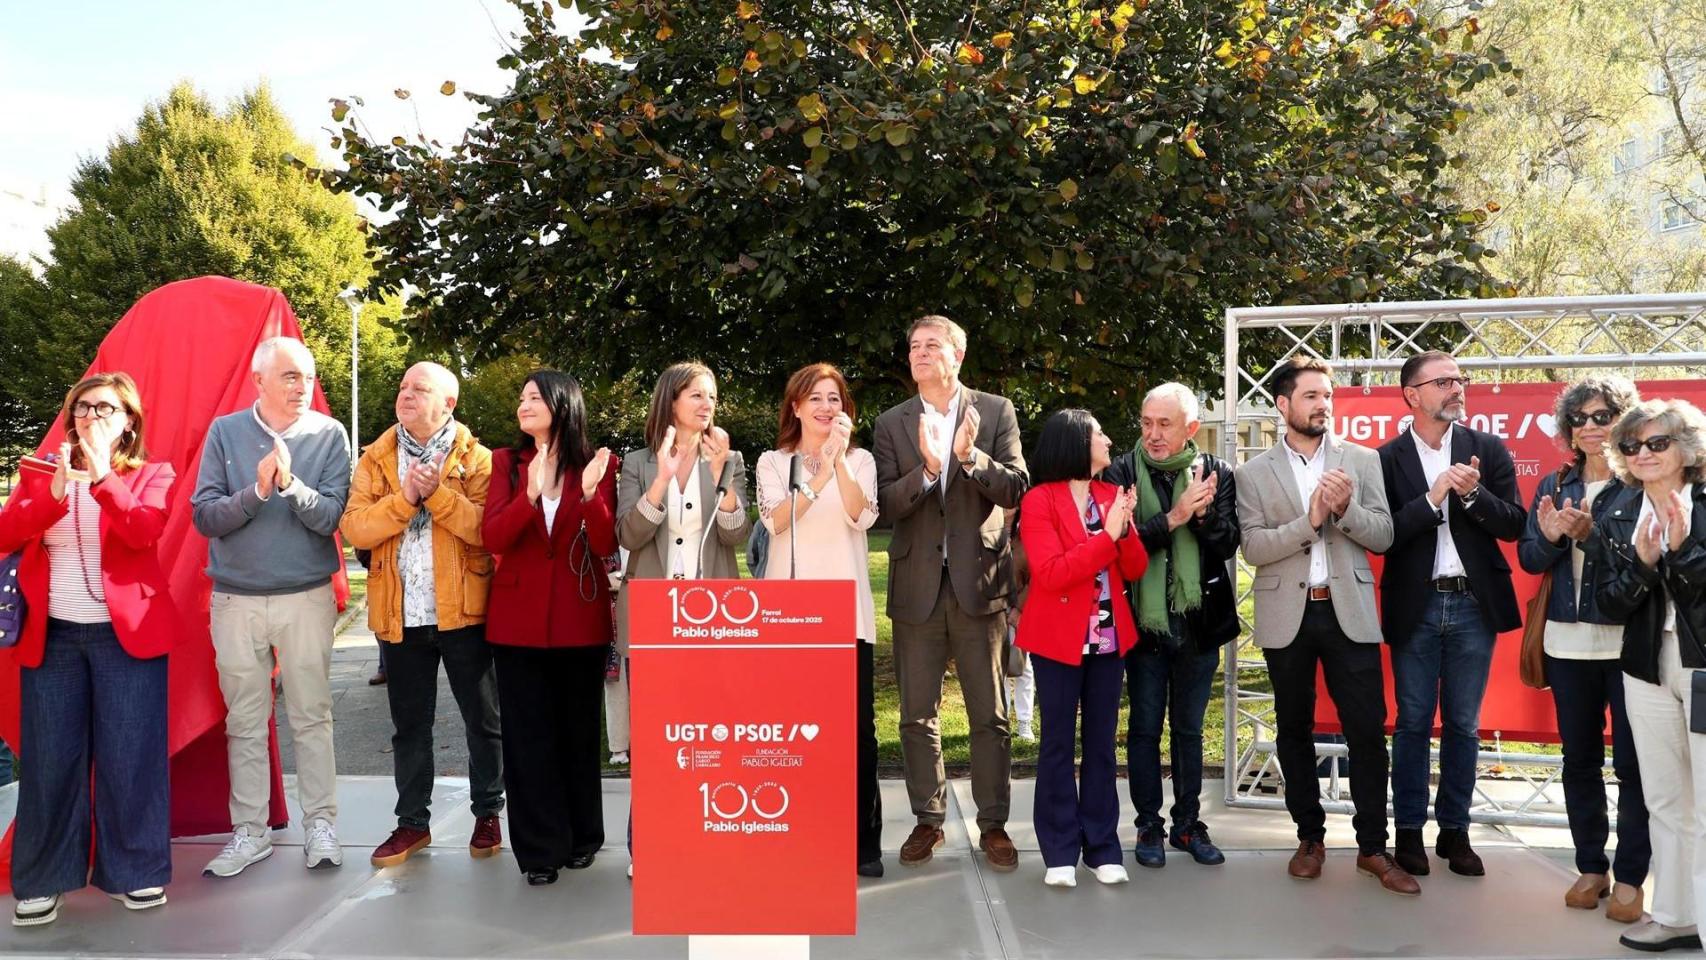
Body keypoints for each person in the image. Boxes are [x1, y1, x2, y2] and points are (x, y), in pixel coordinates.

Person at [3, 374, 180, 926]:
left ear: (130, 420)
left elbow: (143, 530)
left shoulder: (154, 474)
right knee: (50, 760)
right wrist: (53, 495)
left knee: (132, 758)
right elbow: (6, 535)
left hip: (126, 636)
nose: (91, 416)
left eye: (105, 408)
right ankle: (43, 879)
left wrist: (102, 475)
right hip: (53, 637)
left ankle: (135, 872)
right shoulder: (38, 474)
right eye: (82, 407)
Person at [1235, 358, 1416, 895]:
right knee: (1294, 729)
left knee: (1366, 731)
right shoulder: (1252, 473)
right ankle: (1309, 838)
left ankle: (1372, 849)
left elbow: (1383, 535)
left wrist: (1344, 511)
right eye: (1311, 395)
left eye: (1328, 395)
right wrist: (1310, 520)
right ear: (1283, 405)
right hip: (1287, 614)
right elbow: (1253, 547)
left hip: (1349, 614)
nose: (1323, 405)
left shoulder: (1361, 460)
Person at [872, 316, 1028, 872]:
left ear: (957, 356)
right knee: (917, 715)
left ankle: (994, 825)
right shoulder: (892, 423)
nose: (918, 353)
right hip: (917, 587)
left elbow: (1016, 487)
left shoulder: (995, 411)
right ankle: (927, 820)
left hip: (979, 584)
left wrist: (967, 459)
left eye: (931, 345)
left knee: (990, 716)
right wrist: (930, 469)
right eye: (913, 345)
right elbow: (884, 506)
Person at [192, 337, 352, 878]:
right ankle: (250, 832)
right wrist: (256, 493)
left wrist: (289, 486)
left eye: (306, 376)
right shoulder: (225, 432)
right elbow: (205, 518)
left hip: (305, 597)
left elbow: (330, 518)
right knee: (245, 720)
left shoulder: (330, 434)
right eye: (288, 376)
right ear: (258, 381)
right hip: (235, 599)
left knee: (312, 716)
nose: (301, 387)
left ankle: (321, 826)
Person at [340, 362, 504, 868]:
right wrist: (406, 497)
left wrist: (437, 494)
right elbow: (355, 529)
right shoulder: (376, 457)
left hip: (464, 612)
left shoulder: (477, 458)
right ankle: (412, 823)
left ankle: (488, 813)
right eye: (403, 386)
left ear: (448, 404)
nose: (406, 394)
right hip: (399, 614)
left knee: (484, 721)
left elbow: (485, 530)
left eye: (421, 389)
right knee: (409, 726)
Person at [1378, 350, 1525, 878]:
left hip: (1472, 603)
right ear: (1412, 395)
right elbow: (1384, 534)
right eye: (1442, 381)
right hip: (1414, 604)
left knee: (1464, 724)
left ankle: (1456, 833)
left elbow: (1513, 525)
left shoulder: (1487, 448)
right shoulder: (1385, 458)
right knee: (1413, 721)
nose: (1456, 388)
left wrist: (1471, 495)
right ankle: (1410, 833)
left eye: (1459, 379)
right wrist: (1433, 495)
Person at [1516, 376, 1648, 921]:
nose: (1591, 427)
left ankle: (1633, 876)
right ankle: (1591, 867)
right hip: (1566, 644)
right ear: (1568, 429)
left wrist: (1592, 535)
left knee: (1635, 766)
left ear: (1624, 421)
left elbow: (1647, 564)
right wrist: (1549, 537)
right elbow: (1528, 558)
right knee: (1579, 760)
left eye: (1603, 416)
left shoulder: (1641, 485)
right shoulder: (1555, 483)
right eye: (1582, 419)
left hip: (1627, 645)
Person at [481, 370, 617, 886]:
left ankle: (583, 837)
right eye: (521, 398)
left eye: (534, 397)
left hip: (579, 622)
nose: (523, 405)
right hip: (516, 626)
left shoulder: (598, 466)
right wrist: (529, 495)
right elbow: (491, 533)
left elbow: (605, 544)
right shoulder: (506, 463)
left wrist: (587, 494)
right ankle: (538, 851)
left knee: (577, 736)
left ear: (562, 404)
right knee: (527, 739)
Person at [616, 362, 751, 878]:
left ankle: (704, 835)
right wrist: (662, 482)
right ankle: (646, 845)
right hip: (652, 614)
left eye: (712, 394)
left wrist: (723, 483)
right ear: (670, 400)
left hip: (712, 617)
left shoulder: (729, 458)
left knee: (710, 737)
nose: (706, 402)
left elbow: (737, 535)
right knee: (653, 739)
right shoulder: (637, 462)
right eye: (695, 393)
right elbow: (629, 536)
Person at [1102, 382, 1238, 869]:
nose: (1154, 434)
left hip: (1199, 623)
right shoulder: (1121, 473)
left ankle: (1187, 824)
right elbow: (1119, 548)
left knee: (1188, 728)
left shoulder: (1217, 472)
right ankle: (1148, 825)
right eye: (1147, 423)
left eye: (1165, 424)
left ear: (1191, 429)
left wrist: (1200, 521)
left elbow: (1228, 544)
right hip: (1143, 623)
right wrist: (1177, 517)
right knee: (1142, 728)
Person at [755, 363, 882, 877]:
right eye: (816, 399)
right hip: (788, 619)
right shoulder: (772, 461)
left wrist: (839, 466)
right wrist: (816, 477)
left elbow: (863, 515)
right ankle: (800, 836)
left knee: (856, 734)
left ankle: (862, 844)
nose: (827, 408)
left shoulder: (864, 460)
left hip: (847, 614)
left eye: (835, 399)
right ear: (796, 407)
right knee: (792, 736)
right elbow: (775, 520)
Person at [1592, 398, 1706, 953]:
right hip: (1645, 666)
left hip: (1702, 668)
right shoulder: (1618, 511)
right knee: (1664, 798)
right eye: (1632, 446)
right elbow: (1608, 604)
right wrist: (1640, 566)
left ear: (1686, 449)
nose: (1643, 454)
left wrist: (1682, 552)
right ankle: (1676, 915)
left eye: (1657, 443)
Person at [1015, 409, 1147, 888]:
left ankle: (1103, 847)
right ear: (1075, 443)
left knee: (1101, 745)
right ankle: (1059, 851)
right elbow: (1050, 574)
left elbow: (1133, 568)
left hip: (1109, 640)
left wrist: (1125, 528)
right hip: (1056, 639)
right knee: (1055, 745)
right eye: (1099, 434)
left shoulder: (1113, 494)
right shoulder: (1039, 501)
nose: (1109, 440)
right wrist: (1107, 535)